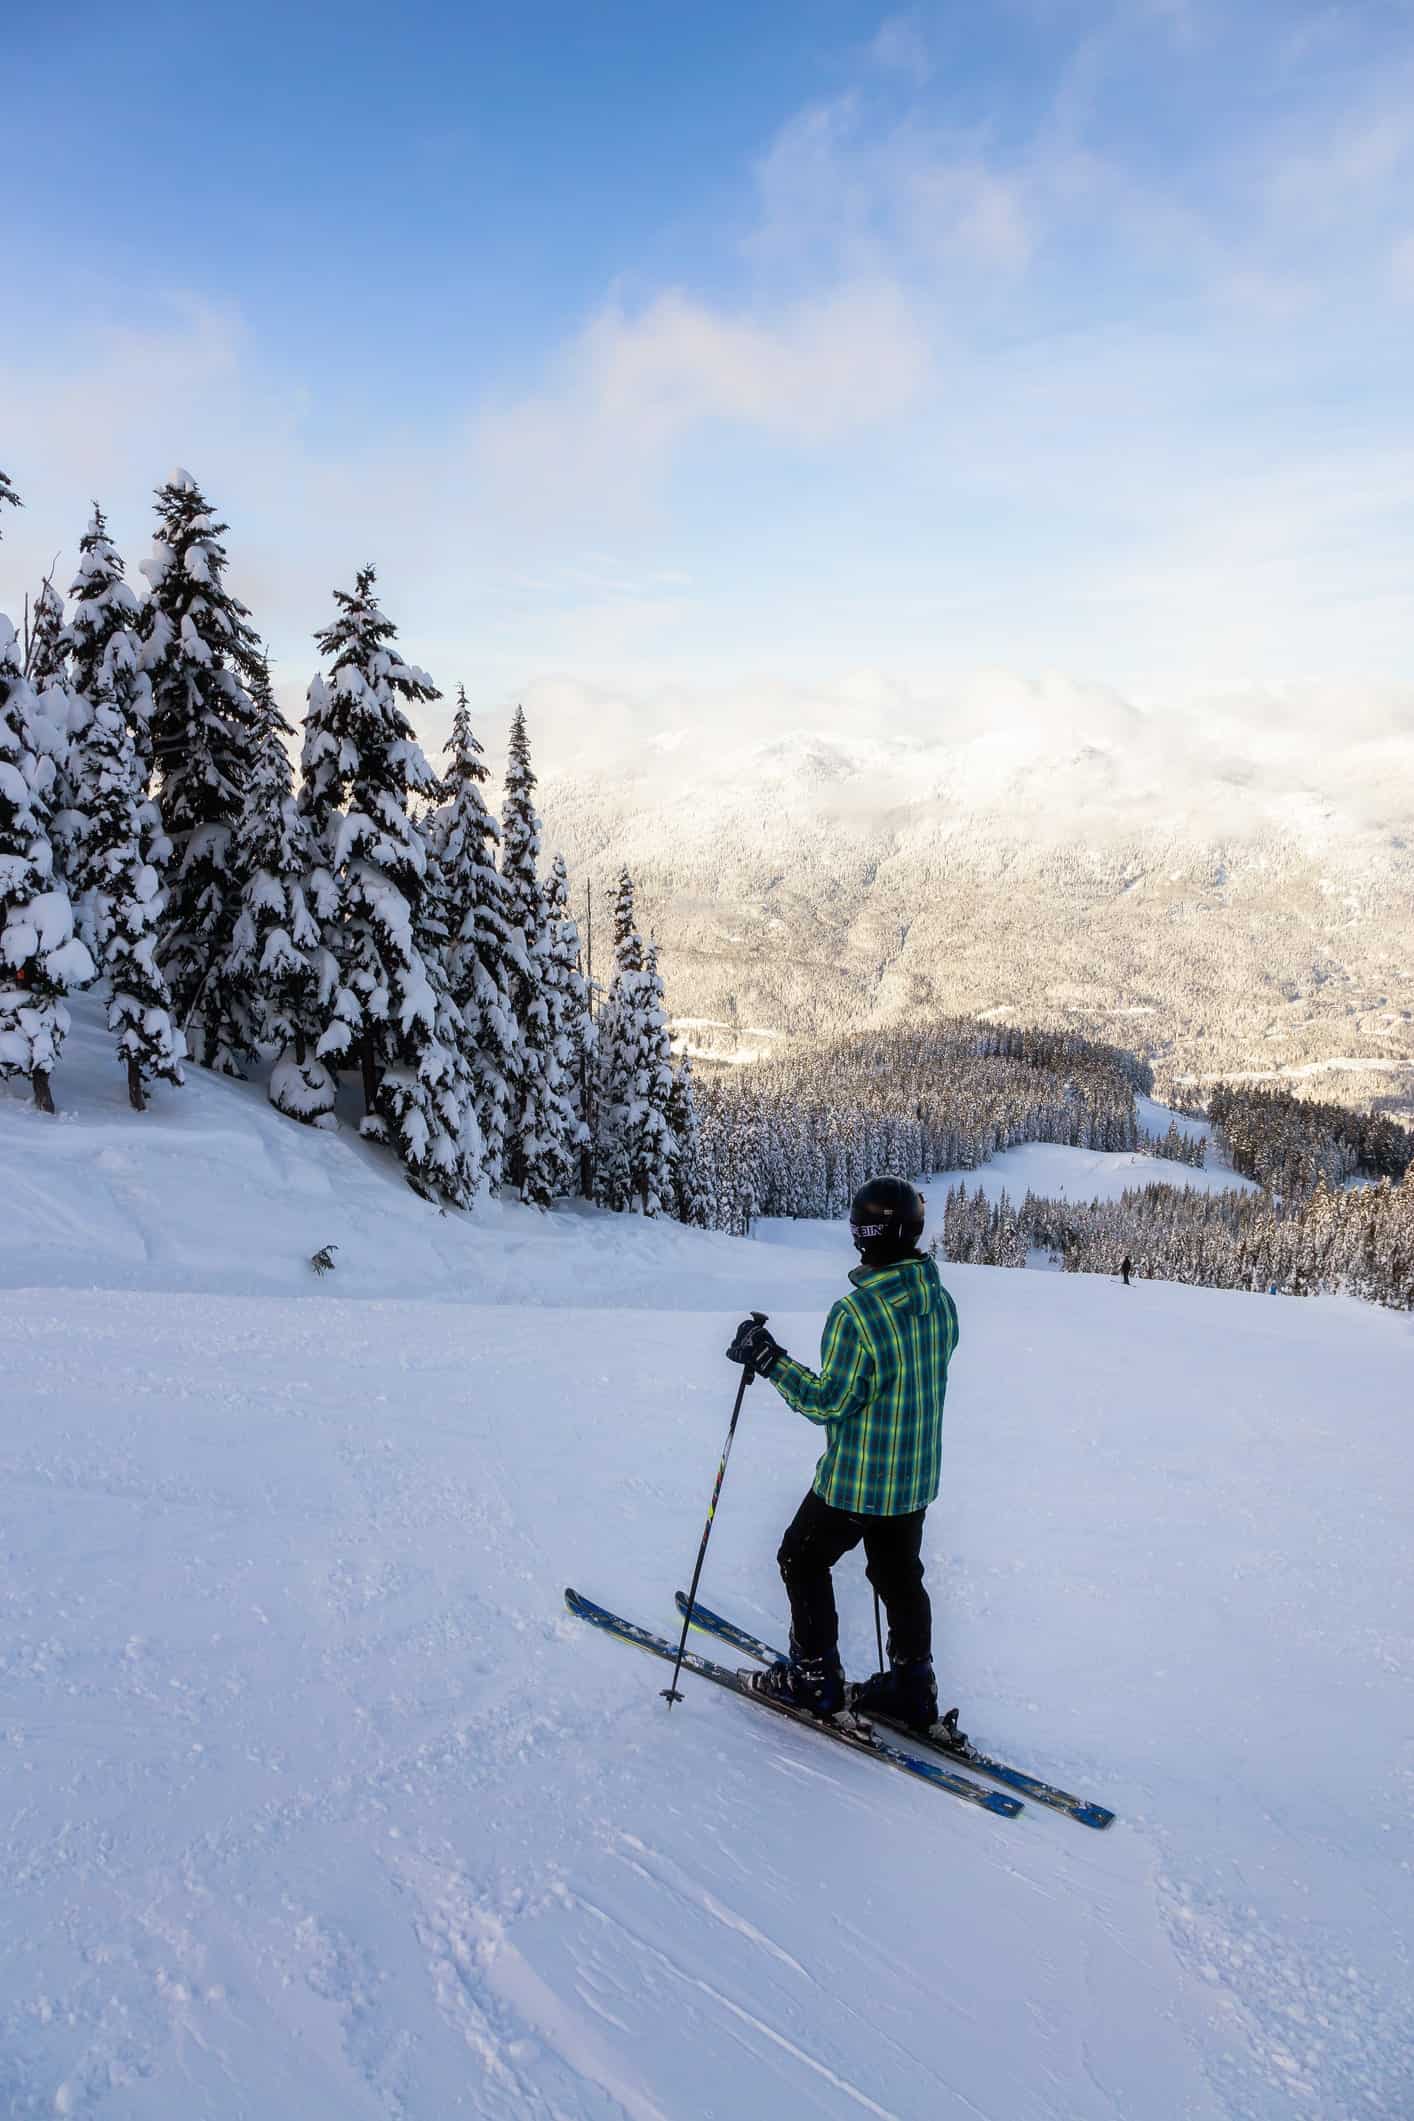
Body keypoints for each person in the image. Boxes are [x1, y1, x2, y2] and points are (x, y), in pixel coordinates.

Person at [726, 1176, 960, 1732]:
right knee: (897, 1575)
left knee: (800, 1558)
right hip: (913, 1478)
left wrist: (769, 1360)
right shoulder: (940, 1300)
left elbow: (828, 1401)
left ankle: (815, 1678)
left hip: (858, 1481)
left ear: (866, 1235)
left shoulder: (857, 1314)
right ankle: (911, 1687)